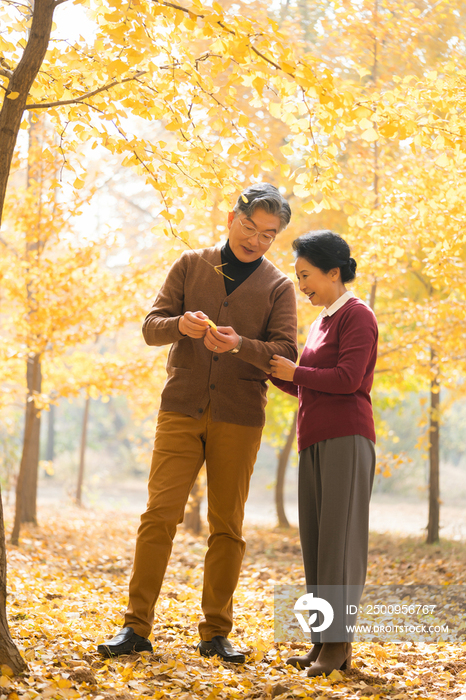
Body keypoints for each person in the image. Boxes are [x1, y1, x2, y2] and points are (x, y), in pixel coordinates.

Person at [97, 183, 298, 663]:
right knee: (158, 516)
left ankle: (215, 632)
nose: (256, 240)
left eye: (268, 235)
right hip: (181, 409)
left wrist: (238, 346)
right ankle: (136, 627)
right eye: (250, 227)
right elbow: (151, 326)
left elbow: (287, 354)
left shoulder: (279, 286)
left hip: (240, 416)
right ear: (232, 218)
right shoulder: (190, 263)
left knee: (227, 526)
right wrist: (178, 326)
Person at [269, 230, 377, 677]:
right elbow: (303, 382)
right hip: (313, 439)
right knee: (316, 544)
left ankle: (338, 646)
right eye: (298, 277)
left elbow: (348, 378)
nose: (302, 286)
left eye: (307, 276)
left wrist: (297, 370)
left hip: (347, 439)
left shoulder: (357, 315)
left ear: (334, 272)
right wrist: (264, 364)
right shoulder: (319, 322)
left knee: (339, 545)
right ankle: (322, 642)